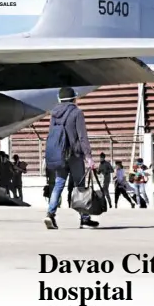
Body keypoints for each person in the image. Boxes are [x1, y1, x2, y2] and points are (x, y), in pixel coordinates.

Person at [44, 87, 99, 229]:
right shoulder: (77, 113)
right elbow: (82, 137)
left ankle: (50, 214)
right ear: (74, 98)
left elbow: (51, 136)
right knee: (80, 187)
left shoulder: (54, 114)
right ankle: (85, 218)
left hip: (59, 156)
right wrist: (88, 157)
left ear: (59, 99)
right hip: (74, 155)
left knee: (58, 185)